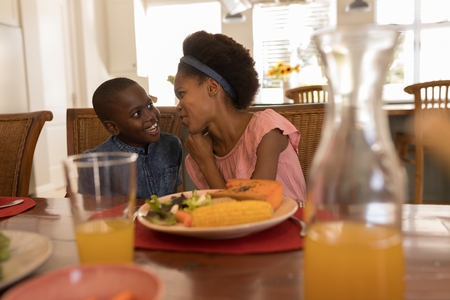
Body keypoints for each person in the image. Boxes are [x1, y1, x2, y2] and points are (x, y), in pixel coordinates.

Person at [173, 31, 306, 202]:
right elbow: (225, 212)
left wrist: (206, 163)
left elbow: (254, 207)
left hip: (291, 225)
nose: (178, 106)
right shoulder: (201, 151)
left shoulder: (266, 130)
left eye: (181, 94)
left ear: (212, 87)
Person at [84, 77, 183, 199]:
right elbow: (81, 208)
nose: (150, 116)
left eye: (150, 105)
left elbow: (173, 196)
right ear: (113, 127)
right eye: (136, 113)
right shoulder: (93, 164)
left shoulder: (172, 145)